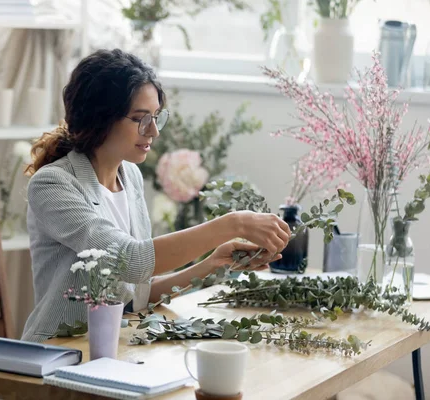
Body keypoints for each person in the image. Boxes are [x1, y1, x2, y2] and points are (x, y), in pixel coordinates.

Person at [21, 49, 291, 342]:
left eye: (155, 118)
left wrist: (213, 263)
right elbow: (131, 261)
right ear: (100, 118)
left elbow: (137, 293)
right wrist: (233, 224)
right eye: (140, 119)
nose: (153, 132)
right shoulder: (53, 184)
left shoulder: (130, 177)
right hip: (58, 353)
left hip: (114, 346)